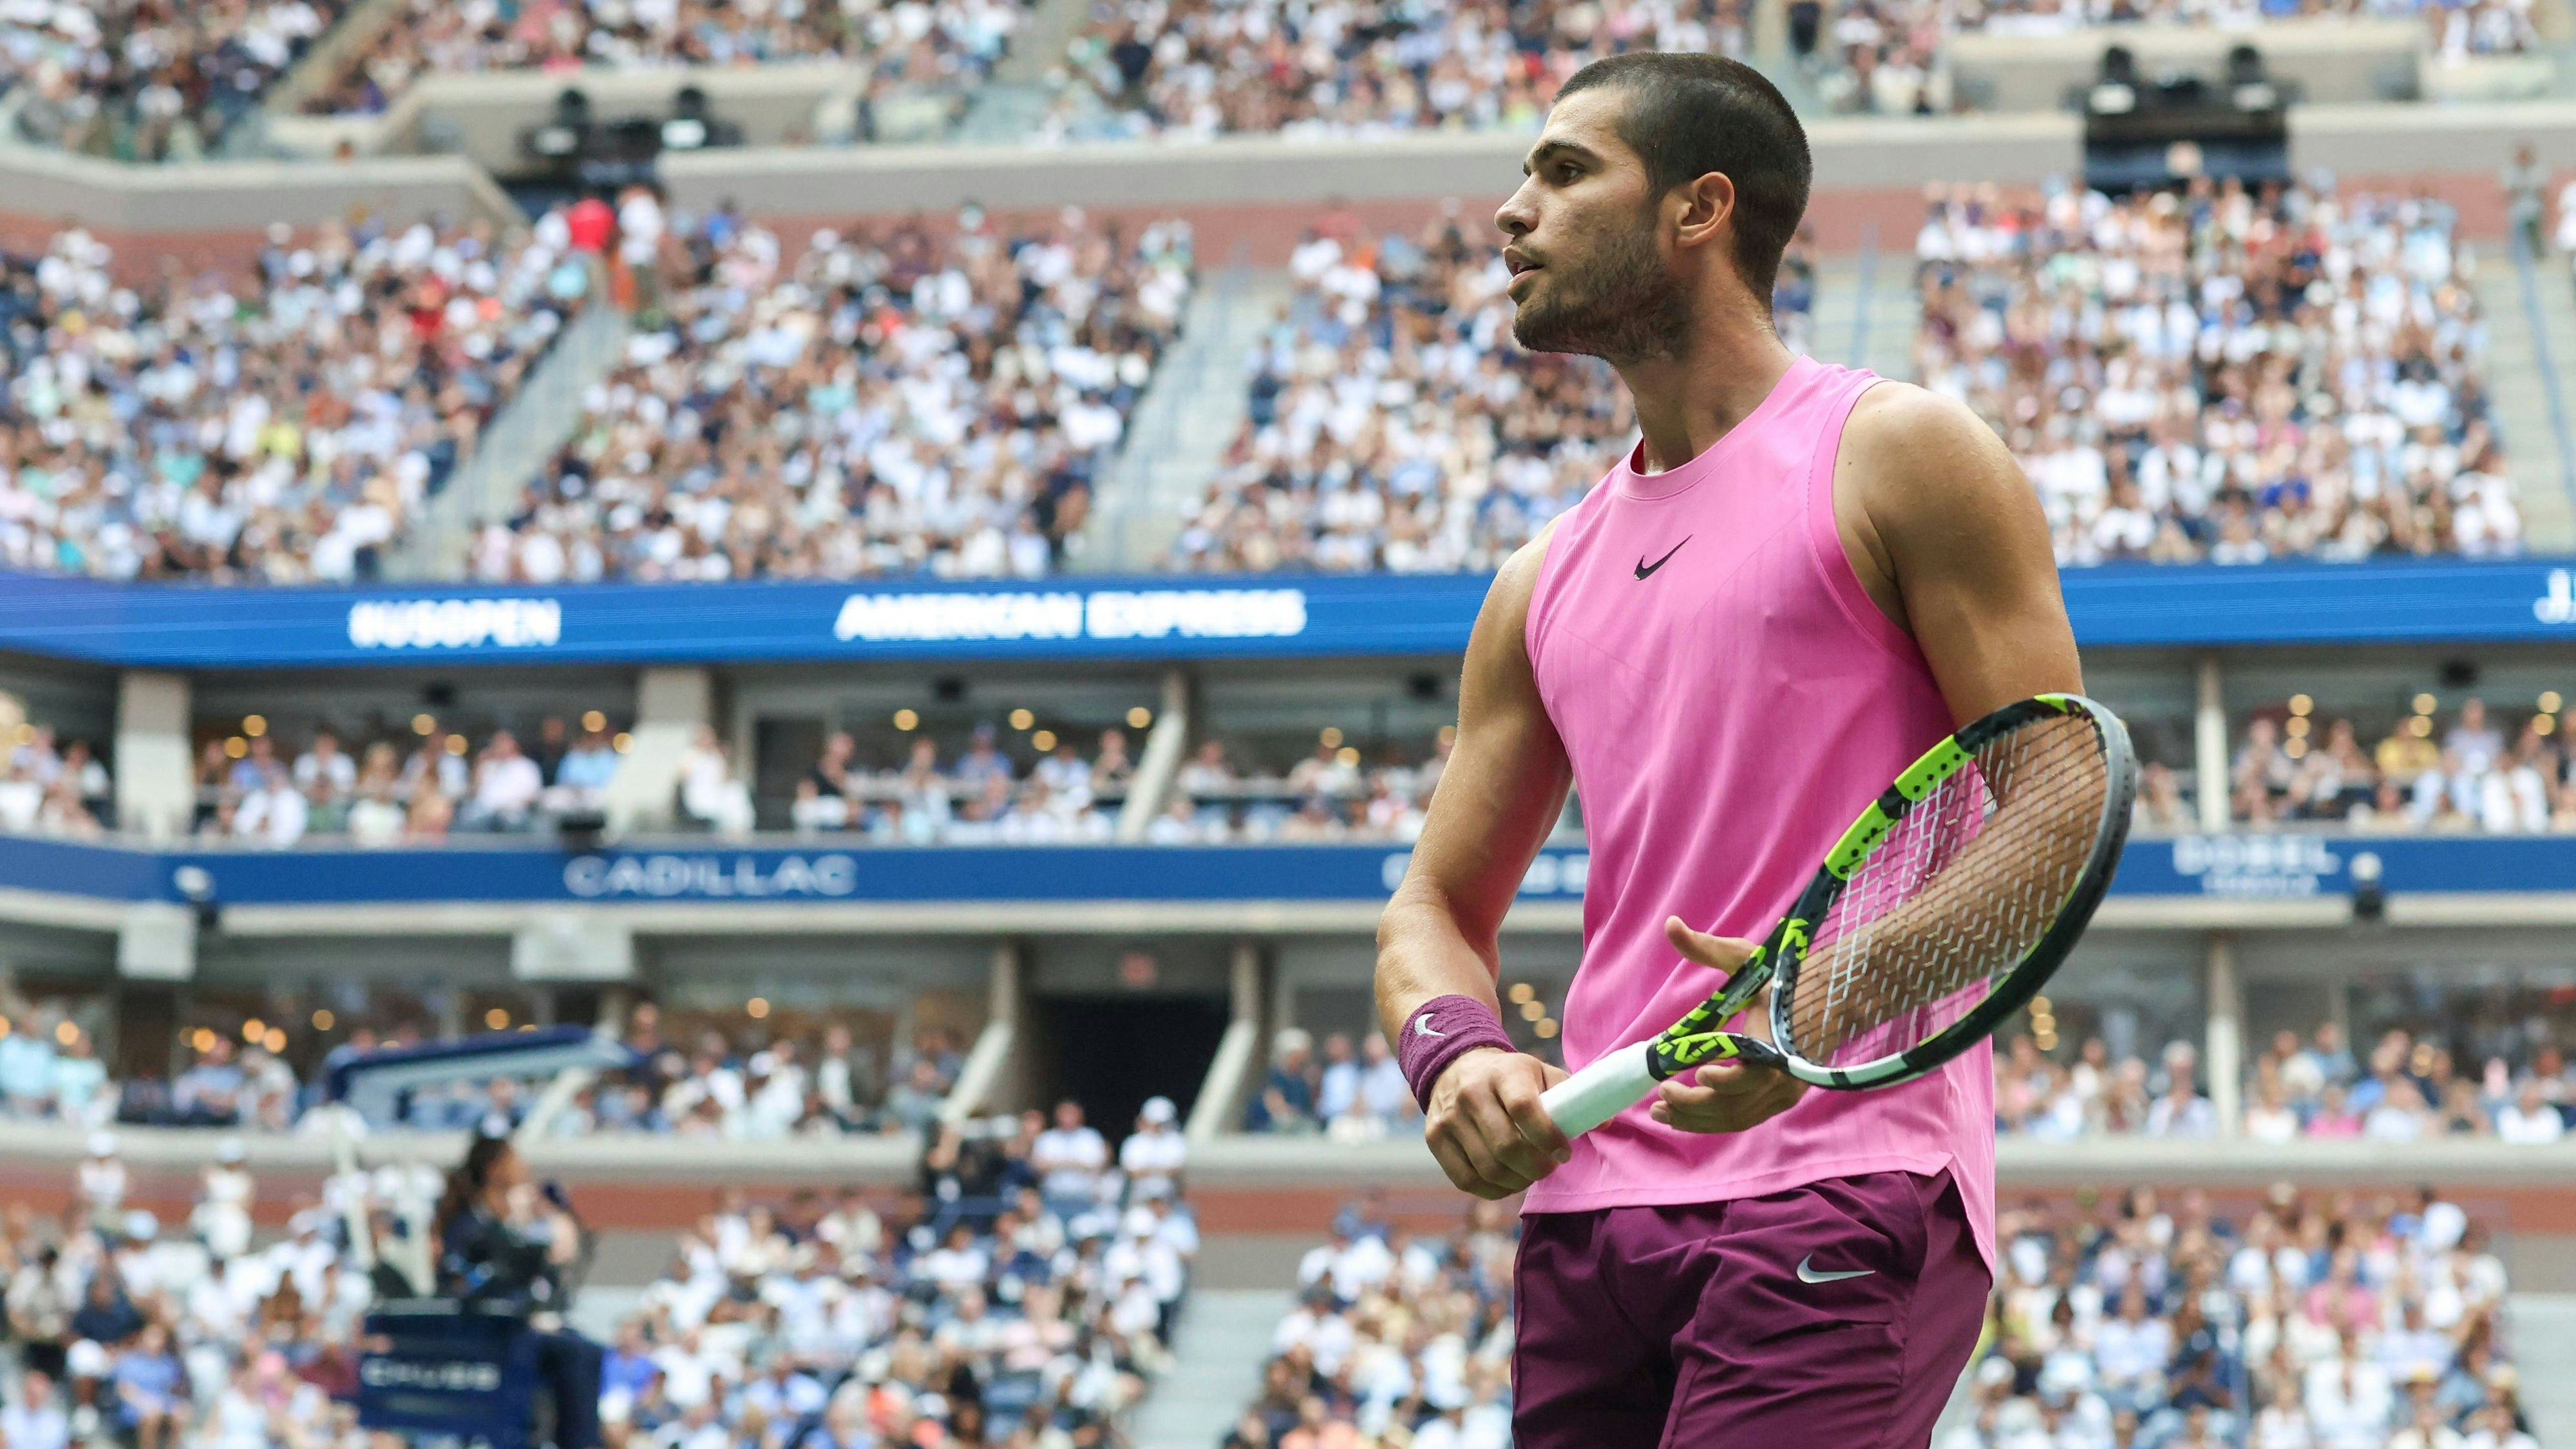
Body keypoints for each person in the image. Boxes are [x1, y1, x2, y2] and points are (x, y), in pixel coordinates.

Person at [1375, 53, 2069, 1449]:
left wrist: (1821, 1003)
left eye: (1565, 171)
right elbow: (1429, 911)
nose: (1511, 211)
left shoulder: (1901, 455)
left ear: (1698, 209)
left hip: (1841, 1175)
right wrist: (1455, 1057)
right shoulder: (1536, 581)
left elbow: (2060, 806)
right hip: (1587, 1214)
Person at [431, 1133, 604, 1449]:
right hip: (490, 1333)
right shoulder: (470, 1224)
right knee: (577, 1353)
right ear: (494, 1168)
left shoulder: (494, 1222)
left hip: (508, 1328)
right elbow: (468, 1284)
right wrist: (524, 1311)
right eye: (514, 1160)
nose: (523, 1167)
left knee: (586, 1348)